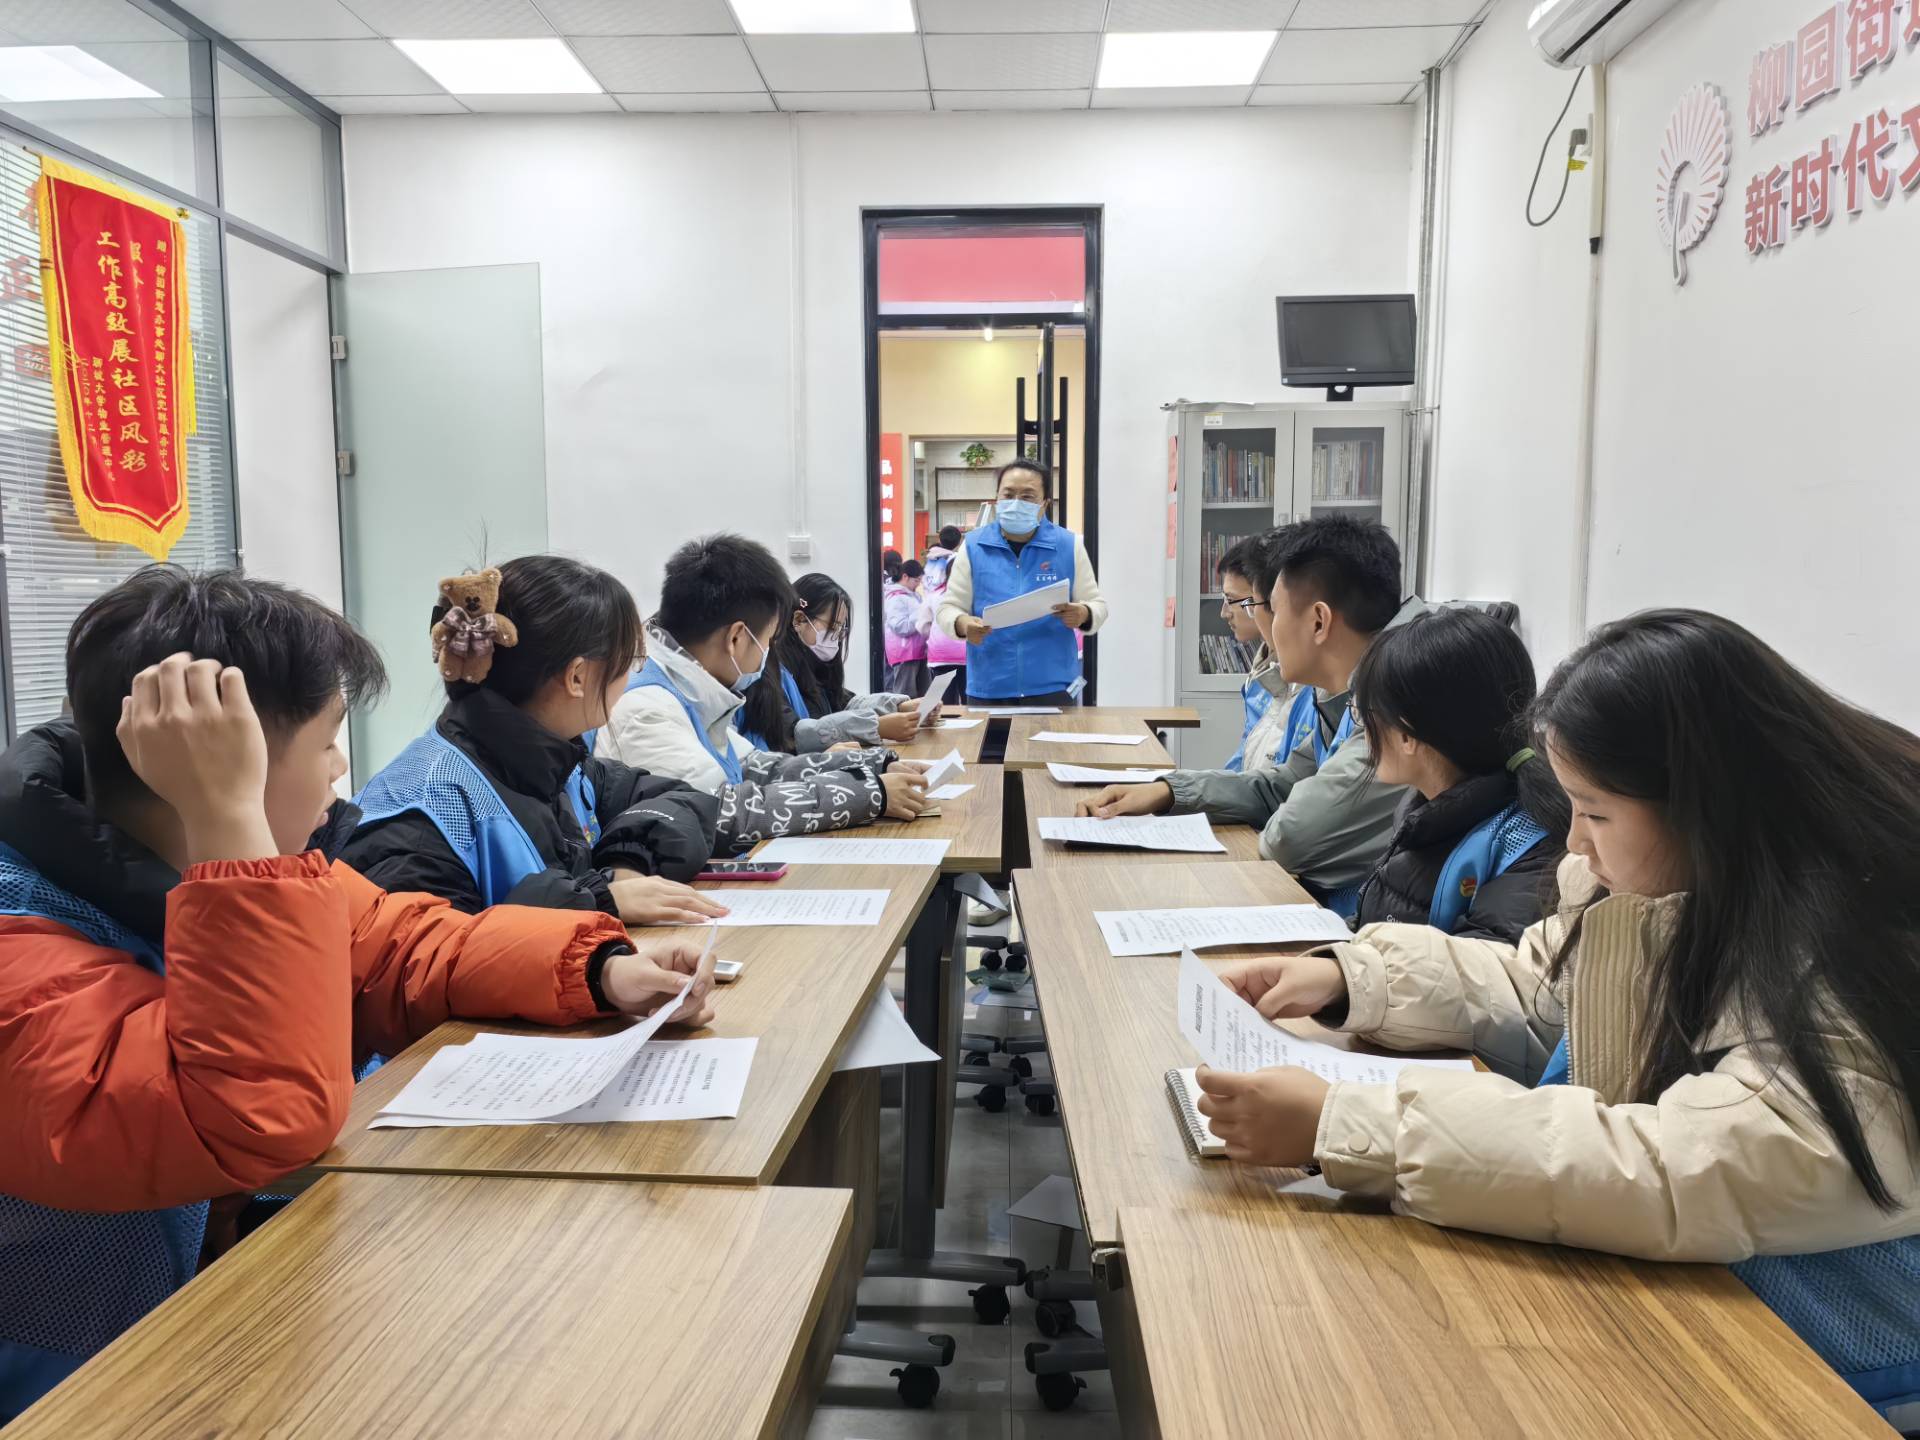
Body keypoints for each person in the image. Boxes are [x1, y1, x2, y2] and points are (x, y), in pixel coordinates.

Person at [0, 568, 715, 1419]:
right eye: (326, 742)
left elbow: (405, 947)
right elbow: (250, 1117)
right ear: (217, 763)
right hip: (72, 1392)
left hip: (206, 1328)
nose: (342, 772)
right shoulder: (26, 943)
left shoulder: (221, 872)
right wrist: (230, 824)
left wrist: (596, 970)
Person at [1197, 610, 1920, 1422]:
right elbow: (1539, 990)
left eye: (1595, 812)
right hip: (1692, 1288)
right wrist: (1347, 978)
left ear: (1704, 804)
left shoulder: (1862, 954)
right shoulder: (1663, 882)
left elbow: (1683, 1167)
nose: (1573, 842)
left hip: (1822, 1364)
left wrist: (1355, 1127)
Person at [344, 555, 729, 927]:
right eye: (629, 661)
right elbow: (441, 954)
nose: (631, 676)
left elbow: (683, 800)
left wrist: (625, 866)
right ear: (577, 677)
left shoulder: (560, 763)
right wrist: (596, 899)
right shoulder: (428, 813)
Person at [1077, 515, 1424, 911]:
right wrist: (1168, 791)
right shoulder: (1346, 693)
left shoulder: (1398, 701)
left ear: (1318, 621)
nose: (1269, 630)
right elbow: (1281, 784)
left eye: (1275, 610)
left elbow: (1288, 839)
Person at [595, 535, 929, 848]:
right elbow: (722, 813)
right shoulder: (647, 708)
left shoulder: (692, 691)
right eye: (768, 640)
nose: (768, 653)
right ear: (736, 638)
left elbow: (759, 767)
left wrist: (875, 765)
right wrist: (868, 793)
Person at [1346, 607, 1566, 942]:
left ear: (1406, 734)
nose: (1363, 731)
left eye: (1365, 714)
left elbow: (1477, 966)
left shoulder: (1530, 846)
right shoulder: (1425, 812)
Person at [936, 460, 1106, 708]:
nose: (1016, 503)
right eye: (1008, 495)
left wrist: (1084, 613)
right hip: (988, 687)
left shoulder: (1068, 545)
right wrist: (961, 623)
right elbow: (948, 608)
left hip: (1053, 687)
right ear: (996, 498)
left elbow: (1098, 605)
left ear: (1044, 503)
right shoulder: (973, 546)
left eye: (1027, 496)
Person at [736, 571, 920, 754]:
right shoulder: (768, 674)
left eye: (840, 628)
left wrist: (899, 707)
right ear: (799, 620)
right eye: (832, 626)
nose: (837, 636)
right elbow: (792, 734)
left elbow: (843, 701)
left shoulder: (813, 664)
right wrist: (875, 727)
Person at [1217, 530, 1292, 773]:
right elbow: (1247, 753)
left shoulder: (1302, 679)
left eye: (1232, 600)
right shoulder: (1264, 664)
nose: (1224, 613)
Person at [922, 543, 968, 703]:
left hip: (940, 654)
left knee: (943, 703)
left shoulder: (934, 595)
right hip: (966, 655)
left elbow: (922, 624)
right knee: (969, 702)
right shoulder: (973, 596)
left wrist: (933, 636)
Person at [882, 559, 930, 696]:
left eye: (920, 581)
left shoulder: (914, 596)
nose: (918, 584)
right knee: (905, 696)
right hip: (904, 653)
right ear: (905, 577)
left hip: (918, 652)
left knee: (923, 695)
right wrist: (921, 617)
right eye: (916, 580)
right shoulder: (895, 597)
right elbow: (900, 627)